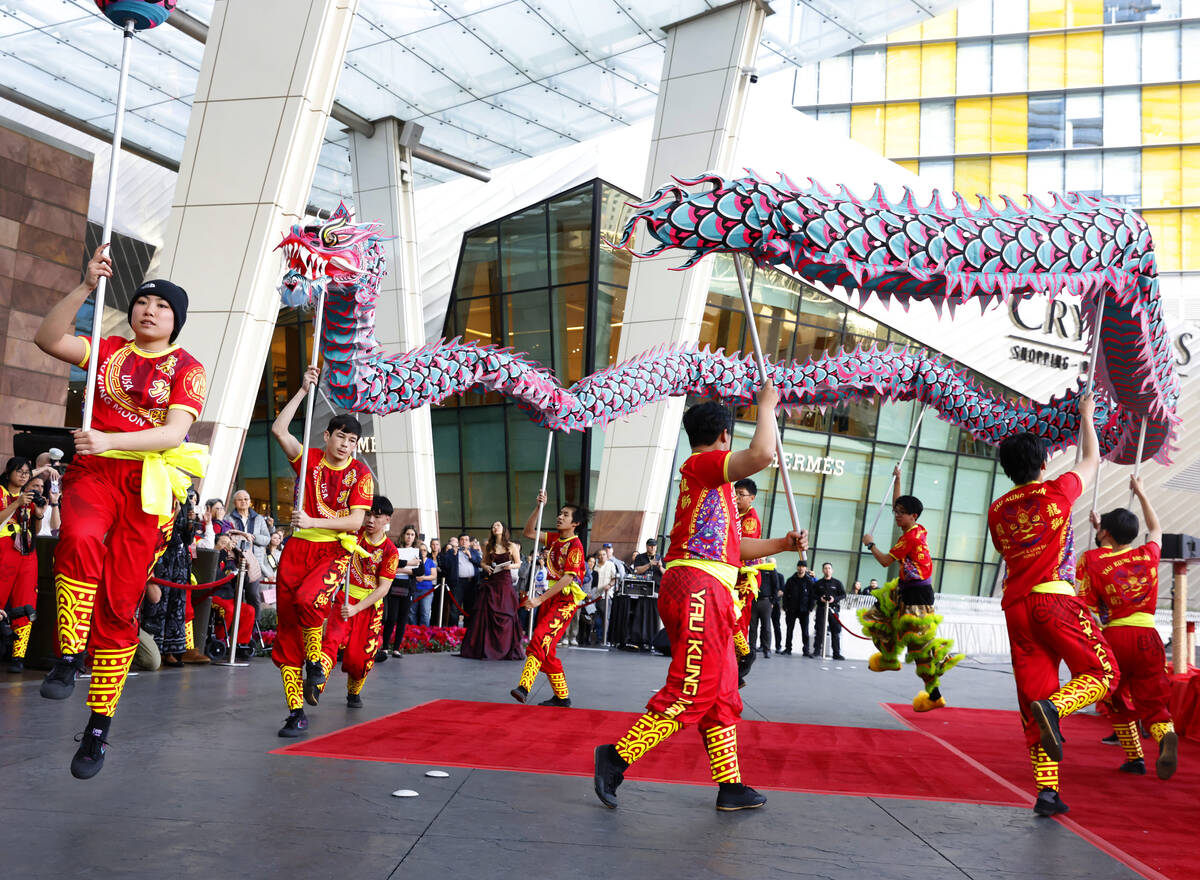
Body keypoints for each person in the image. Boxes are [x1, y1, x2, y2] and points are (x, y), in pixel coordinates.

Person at [34, 245, 207, 779]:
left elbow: (176, 432)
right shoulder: (107, 349)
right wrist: (86, 285)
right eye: (142, 301)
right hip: (95, 476)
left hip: (147, 487)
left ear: (175, 320)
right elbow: (46, 338)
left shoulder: (187, 368)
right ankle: (67, 655)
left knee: (119, 602)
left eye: (161, 305)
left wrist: (109, 438)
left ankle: (99, 727)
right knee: (80, 537)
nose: (149, 309)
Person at [593, 383, 808, 812]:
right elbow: (764, 454)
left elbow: (734, 550)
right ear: (725, 436)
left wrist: (782, 544)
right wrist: (766, 406)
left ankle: (731, 786)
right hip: (698, 587)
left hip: (710, 586)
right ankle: (615, 757)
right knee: (693, 688)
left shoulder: (717, 485)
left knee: (724, 693)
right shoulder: (704, 465)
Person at [987, 391, 1117, 817]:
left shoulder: (995, 510)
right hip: (1055, 602)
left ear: (1008, 470)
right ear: (1044, 464)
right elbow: (1092, 460)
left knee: (1032, 698)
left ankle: (1047, 792)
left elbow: (1007, 551)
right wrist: (1085, 417)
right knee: (1103, 674)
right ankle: (1055, 707)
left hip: (1016, 608)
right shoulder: (1057, 491)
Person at [269, 364, 372, 737]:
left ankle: (317, 659)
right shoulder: (309, 459)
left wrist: (312, 522)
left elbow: (355, 522)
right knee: (286, 634)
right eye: (340, 437)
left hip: (332, 551)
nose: (345, 444)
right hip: (296, 551)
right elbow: (279, 430)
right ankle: (296, 712)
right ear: (327, 435)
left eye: (351, 441)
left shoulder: (360, 474)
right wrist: (301, 389)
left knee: (309, 601)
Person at [1076, 476, 1177, 780]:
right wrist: (1142, 493)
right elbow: (1156, 529)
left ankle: (1135, 758)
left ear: (1104, 532)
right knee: (1153, 697)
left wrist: (1098, 535)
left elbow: (1087, 603)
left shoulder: (1092, 559)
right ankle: (1163, 734)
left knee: (1116, 697)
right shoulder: (1147, 555)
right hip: (1148, 635)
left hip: (1116, 636)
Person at [861, 464, 963, 711]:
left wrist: (870, 544)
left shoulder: (909, 538)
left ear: (913, 516)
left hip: (917, 597)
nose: (897, 515)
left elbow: (885, 561)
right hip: (905, 590)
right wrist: (898, 479)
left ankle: (934, 695)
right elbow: (900, 503)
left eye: (901, 513)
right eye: (896, 512)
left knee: (919, 652)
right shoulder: (917, 528)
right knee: (875, 618)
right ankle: (888, 659)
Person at [309, 496, 398, 715]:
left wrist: (358, 608)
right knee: (331, 640)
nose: (370, 520)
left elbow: (383, 589)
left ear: (386, 519)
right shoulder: (353, 537)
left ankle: (353, 692)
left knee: (360, 658)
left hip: (370, 607)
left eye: (376, 516)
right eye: (367, 514)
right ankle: (315, 687)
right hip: (344, 599)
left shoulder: (390, 552)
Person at [511, 493, 587, 707]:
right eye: (560, 513)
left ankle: (524, 686)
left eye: (565, 515)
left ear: (576, 523)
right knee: (548, 649)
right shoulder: (554, 539)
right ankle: (562, 697)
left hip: (564, 602)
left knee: (540, 639)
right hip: (550, 600)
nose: (560, 517)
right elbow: (528, 532)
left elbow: (567, 578)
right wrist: (538, 508)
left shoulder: (575, 546)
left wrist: (538, 599)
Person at [1, 457, 45, 672]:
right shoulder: (1, 492)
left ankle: (19, 657)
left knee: (26, 600)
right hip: (3, 549)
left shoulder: (31, 496)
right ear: (8, 472)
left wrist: (38, 514)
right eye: (19, 471)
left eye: (27, 472)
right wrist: (17, 504)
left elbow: (36, 528)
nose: (23, 475)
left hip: (27, 551)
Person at [141, 496, 194, 667]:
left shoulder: (186, 503)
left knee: (177, 604)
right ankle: (154, 647)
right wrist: (173, 513)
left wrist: (191, 522)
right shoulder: (159, 494)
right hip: (161, 556)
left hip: (179, 560)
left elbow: (188, 539)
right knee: (159, 604)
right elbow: (157, 530)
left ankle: (172, 650)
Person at [460, 521, 525, 660]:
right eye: (493, 526)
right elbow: (483, 561)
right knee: (484, 613)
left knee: (507, 611)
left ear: (503, 529)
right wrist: (486, 567)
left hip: (505, 581)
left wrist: (510, 567)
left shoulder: (511, 546)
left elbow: (519, 563)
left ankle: (504, 648)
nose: (495, 528)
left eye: (498, 526)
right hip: (491, 582)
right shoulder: (488, 546)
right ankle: (485, 647)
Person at [382, 524, 419, 658]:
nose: (409, 537)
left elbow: (420, 571)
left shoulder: (416, 551)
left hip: (408, 588)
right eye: (407, 534)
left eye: (412, 535)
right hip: (394, 587)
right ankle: (385, 647)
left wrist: (401, 567)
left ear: (415, 537)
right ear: (403, 535)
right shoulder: (395, 549)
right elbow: (392, 564)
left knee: (403, 619)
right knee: (391, 618)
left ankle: (396, 649)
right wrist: (410, 564)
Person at [228, 489, 269, 608]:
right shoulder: (229, 518)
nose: (243, 502)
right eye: (240, 500)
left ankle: (254, 625)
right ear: (235, 502)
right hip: (236, 562)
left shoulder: (259, 518)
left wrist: (253, 537)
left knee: (253, 595)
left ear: (250, 501)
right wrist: (242, 538)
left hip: (254, 563)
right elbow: (228, 538)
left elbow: (267, 539)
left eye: (246, 499)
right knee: (236, 596)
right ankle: (236, 624)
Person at [811, 562, 846, 660]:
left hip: (833, 610)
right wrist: (820, 598)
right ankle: (816, 651)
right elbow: (813, 595)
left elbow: (843, 595)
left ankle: (836, 653)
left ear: (832, 570)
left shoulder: (837, 583)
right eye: (825, 568)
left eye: (829, 568)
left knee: (835, 631)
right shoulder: (818, 583)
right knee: (819, 630)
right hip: (821, 609)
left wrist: (834, 599)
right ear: (823, 570)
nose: (827, 570)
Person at [783, 561, 815, 656]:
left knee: (805, 631)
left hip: (804, 611)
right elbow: (785, 595)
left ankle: (806, 650)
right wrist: (785, 607)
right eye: (799, 566)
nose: (801, 568)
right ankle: (788, 649)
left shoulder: (809, 581)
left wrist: (810, 608)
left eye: (803, 567)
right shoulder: (790, 580)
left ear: (806, 568)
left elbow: (812, 596)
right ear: (797, 567)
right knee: (789, 630)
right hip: (791, 609)